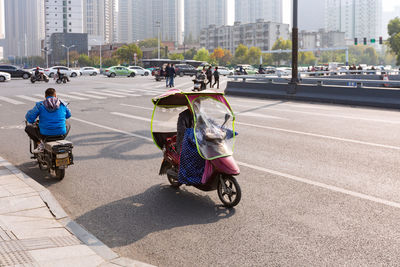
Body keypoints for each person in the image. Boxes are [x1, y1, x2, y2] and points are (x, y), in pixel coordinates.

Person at [25, 88, 71, 153]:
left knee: (28, 128)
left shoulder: (40, 105)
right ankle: (61, 140)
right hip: (61, 133)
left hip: (45, 134)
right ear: (55, 95)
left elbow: (30, 118)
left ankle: (40, 144)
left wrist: (30, 116)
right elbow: (68, 115)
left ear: (45, 96)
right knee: (68, 124)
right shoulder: (62, 104)